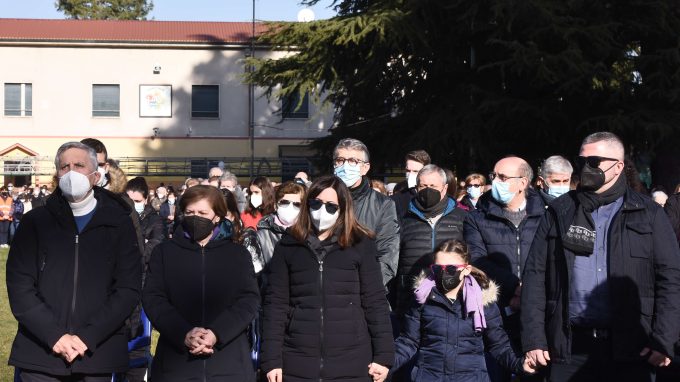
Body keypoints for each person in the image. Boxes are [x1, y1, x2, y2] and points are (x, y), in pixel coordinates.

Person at [521, 132, 680, 382]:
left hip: (633, 347)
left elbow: (670, 279)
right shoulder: (559, 211)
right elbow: (535, 276)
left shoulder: (647, 213)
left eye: (594, 161)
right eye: (582, 160)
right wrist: (533, 338)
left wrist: (664, 339)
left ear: (618, 167)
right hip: (569, 347)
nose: (586, 167)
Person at [6, 141, 142, 380]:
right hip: (40, 352)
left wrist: (87, 337)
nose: (71, 172)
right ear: (57, 175)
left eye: (79, 165)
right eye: (64, 167)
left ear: (95, 175)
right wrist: (55, 336)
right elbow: (20, 287)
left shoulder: (119, 223)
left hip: (97, 352)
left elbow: (127, 288)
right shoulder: (35, 222)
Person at [261, 175, 394, 382]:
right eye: (316, 203)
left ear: (343, 208)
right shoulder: (288, 245)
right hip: (297, 359)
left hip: (352, 360)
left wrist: (384, 356)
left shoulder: (360, 244)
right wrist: (271, 360)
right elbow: (275, 305)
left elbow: (374, 301)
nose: (322, 211)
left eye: (331, 206)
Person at [142, 185, 260, 381]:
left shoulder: (237, 255)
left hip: (229, 361)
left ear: (218, 217)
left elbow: (248, 299)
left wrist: (217, 333)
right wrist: (183, 333)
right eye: (190, 212)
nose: (195, 217)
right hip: (176, 363)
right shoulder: (164, 253)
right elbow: (154, 298)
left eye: (203, 213)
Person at [391, 240, 536, 381]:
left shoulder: (483, 302)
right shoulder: (421, 298)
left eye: (451, 268)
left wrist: (519, 364)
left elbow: (499, 344)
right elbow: (408, 341)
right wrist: (386, 364)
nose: (443, 273)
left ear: (466, 269)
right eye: (437, 268)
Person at [463, 155, 546, 381]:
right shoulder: (478, 217)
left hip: (539, 312)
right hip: (496, 309)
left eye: (503, 177)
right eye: (494, 176)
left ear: (523, 182)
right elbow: (477, 259)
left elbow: (551, 259)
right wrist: (513, 287)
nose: (495, 181)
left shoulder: (546, 215)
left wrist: (529, 291)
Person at [394, 164, 467, 319]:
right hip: (411, 298)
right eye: (423, 186)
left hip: (451, 297)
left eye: (433, 186)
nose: (428, 190)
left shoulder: (462, 218)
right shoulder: (403, 218)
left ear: (445, 188)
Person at [333, 138, 400, 287]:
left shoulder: (383, 205)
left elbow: (388, 255)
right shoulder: (322, 199)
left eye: (352, 161)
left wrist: (363, 288)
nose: (345, 166)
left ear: (365, 167)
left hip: (364, 293)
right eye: (340, 160)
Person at [256, 181, 305, 271]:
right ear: (275, 205)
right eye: (285, 202)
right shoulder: (261, 236)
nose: (290, 207)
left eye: (297, 204)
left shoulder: (308, 234)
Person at [391, 150, 431, 221]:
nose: (410, 174)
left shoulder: (437, 196)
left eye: (415, 171)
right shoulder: (396, 200)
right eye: (408, 171)